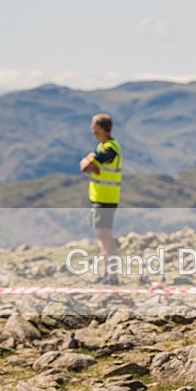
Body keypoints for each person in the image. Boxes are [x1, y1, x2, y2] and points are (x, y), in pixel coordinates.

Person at [79, 113, 122, 286]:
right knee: (102, 236)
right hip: (101, 198)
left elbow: (86, 167)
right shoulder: (104, 147)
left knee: (105, 236)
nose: (92, 130)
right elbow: (90, 167)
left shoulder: (108, 149)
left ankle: (111, 275)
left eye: (94, 126)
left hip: (106, 198)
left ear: (101, 128)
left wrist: (87, 159)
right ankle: (106, 274)